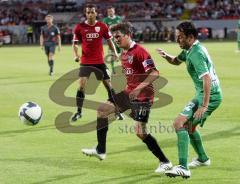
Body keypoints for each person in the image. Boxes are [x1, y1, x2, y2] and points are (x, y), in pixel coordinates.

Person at [81, 22, 172, 174]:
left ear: (128, 35)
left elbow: (155, 73)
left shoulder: (140, 51)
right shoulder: (123, 53)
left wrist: (138, 89)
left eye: (118, 37)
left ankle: (165, 162)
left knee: (140, 132)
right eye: (114, 37)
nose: (115, 40)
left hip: (143, 97)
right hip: (129, 93)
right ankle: (101, 150)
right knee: (103, 110)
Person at [157, 21, 222, 178]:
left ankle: (183, 167)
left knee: (180, 124)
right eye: (176, 36)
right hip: (203, 94)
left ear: (190, 37)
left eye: (180, 37)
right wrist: (166, 56)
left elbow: (206, 78)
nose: (177, 40)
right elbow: (176, 61)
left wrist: (204, 106)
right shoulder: (189, 50)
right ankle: (202, 159)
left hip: (210, 96)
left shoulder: (196, 53)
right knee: (190, 127)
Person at [72, 4, 124, 122]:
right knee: (81, 86)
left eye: (92, 12)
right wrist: (75, 55)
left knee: (109, 86)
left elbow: (110, 41)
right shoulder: (79, 27)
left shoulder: (102, 26)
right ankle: (79, 112)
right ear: (86, 14)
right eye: (88, 12)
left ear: (96, 13)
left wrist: (115, 53)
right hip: (85, 62)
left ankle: (117, 111)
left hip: (99, 62)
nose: (90, 14)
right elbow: (75, 43)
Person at [103, 6, 122, 74]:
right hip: (111, 40)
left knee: (123, 54)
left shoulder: (119, 18)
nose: (110, 12)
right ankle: (113, 70)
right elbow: (105, 30)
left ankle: (124, 68)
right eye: (109, 11)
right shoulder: (105, 20)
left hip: (120, 39)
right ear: (107, 12)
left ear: (114, 11)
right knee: (111, 55)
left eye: (111, 11)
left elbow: (121, 27)